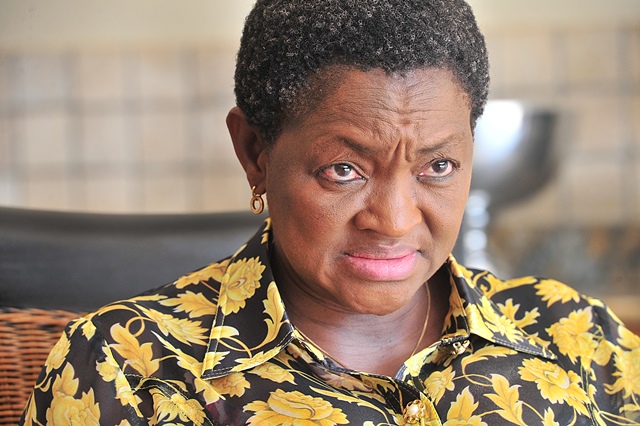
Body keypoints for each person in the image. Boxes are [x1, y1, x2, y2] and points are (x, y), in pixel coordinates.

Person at [21, 0, 640, 424]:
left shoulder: (576, 338)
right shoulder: (128, 372)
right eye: (343, 170)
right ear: (255, 152)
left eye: (439, 166)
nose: (394, 220)